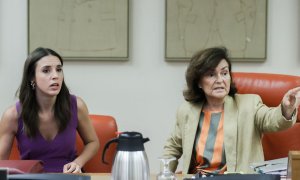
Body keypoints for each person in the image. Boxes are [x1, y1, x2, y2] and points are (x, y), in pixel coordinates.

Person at [162, 47, 300, 175]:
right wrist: (165, 174)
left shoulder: (249, 104)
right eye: (211, 74)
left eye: (224, 73)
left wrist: (285, 109)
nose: (220, 80)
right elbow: (172, 148)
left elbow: (271, 119)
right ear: (198, 82)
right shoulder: (186, 111)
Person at [0, 47, 100, 173]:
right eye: (46, 70)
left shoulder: (77, 106)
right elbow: (1, 163)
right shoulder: (12, 115)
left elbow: (93, 142)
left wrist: (77, 163)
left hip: (68, 177)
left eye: (59, 70)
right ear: (32, 78)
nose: (55, 76)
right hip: (31, 178)